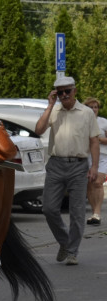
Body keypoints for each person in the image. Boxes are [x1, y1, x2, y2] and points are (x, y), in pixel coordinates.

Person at [35, 77, 100, 265]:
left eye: (67, 91)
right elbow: (39, 130)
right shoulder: (54, 110)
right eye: (60, 92)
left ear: (75, 91)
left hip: (79, 166)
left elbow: (94, 141)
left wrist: (94, 166)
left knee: (77, 211)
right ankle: (65, 241)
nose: (64, 95)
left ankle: (72, 251)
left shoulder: (86, 113)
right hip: (56, 164)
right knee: (48, 208)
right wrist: (49, 106)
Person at [82, 97, 107, 225]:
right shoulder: (82, 122)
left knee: (98, 183)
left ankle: (97, 213)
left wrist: (97, 139)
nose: (94, 109)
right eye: (91, 107)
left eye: (96, 107)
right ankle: (94, 213)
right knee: (90, 184)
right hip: (86, 156)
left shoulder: (103, 122)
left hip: (102, 156)